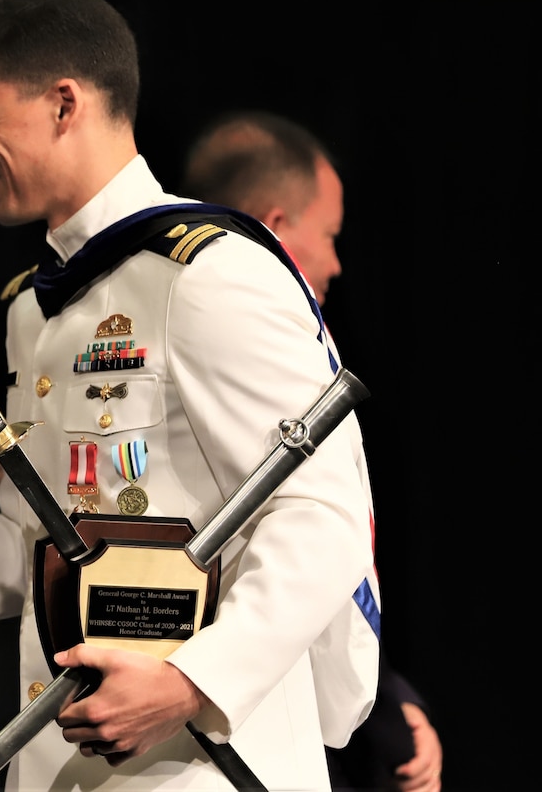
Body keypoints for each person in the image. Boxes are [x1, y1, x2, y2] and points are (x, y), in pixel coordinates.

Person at [0, 0, 381, 791]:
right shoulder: (38, 308)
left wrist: (194, 681)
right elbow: (37, 544)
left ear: (65, 104)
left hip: (205, 767)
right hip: (65, 763)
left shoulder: (210, 274)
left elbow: (323, 512)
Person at [180, 109, 442, 792]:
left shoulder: (296, 345)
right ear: (277, 227)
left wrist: (387, 700)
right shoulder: (209, 341)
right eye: (328, 235)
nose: (335, 261)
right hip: (212, 737)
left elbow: (310, 557)